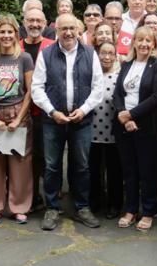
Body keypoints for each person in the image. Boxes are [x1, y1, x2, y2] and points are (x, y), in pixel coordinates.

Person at [31, 14, 106, 231]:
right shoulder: (46, 54)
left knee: (81, 166)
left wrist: (83, 110)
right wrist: (52, 111)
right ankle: (52, 208)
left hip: (81, 120)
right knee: (52, 166)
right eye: (64, 28)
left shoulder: (90, 54)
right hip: (53, 120)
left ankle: (82, 207)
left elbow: (98, 87)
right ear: (57, 31)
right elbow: (37, 87)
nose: (68, 33)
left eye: (72, 28)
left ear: (79, 30)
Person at [0, 16, 35, 224]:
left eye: (9, 31)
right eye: (2, 32)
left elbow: (30, 91)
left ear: (16, 34)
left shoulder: (25, 58)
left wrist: (19, 119)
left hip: (17, 115)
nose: (6, 35)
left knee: (20, 164)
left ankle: (19, 207)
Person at [114, 25, 157, 231]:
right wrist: (123, 115)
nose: (144, 44)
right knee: (129, 170)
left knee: (148, 171)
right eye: (140, 40)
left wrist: (132, 114)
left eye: (148, 40)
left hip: (147, 127)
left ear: (153, 44)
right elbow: (118, 93)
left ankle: (147, 211)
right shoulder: (127, 64)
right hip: (124, 126)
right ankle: (130, 210)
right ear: (134, 42)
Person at [88, 41, 123, 217]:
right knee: (93, 170)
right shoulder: (91, 76)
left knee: (114, 171)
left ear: (116, 56)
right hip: (91, 131)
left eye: (110, 53)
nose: (106, 57)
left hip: (113, 132)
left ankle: (114, 204)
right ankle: (95, 202)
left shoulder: (120, 77)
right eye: (103, 53)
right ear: (97, 55)